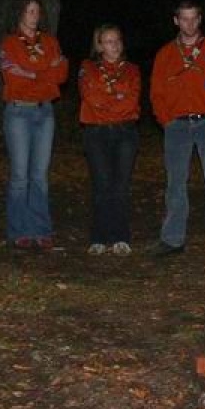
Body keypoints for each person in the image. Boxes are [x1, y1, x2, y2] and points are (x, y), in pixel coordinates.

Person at [150, 0, 205, 255]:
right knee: (175, 182)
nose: (189, 24)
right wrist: (165, 119)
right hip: (177, 126)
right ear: (176, 21)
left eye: (193, 18)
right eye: (184, 18)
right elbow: (156, 92)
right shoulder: (165, 54)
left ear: (199, 20)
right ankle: (173, 239)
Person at [0, 0, 68, 249]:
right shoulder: (9, 43)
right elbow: (12, 78)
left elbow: (61, 74)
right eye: (30, 11)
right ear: (19, 13)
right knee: (20, 174)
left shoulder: (50, 41)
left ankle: (40, 229)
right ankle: (19, 230)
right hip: (19, 112)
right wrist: (45, 71)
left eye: (37, 11)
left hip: (44, 112)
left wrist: (31, 72)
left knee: (39, 174)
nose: (35, 16)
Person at [78, 24, 141, 255]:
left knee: (120, 185)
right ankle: (99, 236)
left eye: (117, 40)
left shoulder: (132, 70)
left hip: (125, 132)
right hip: (96, 132)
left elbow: (131, 101)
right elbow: (90, 96)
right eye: (108, 41)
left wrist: (109, 102)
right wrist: (115, 99)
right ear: (99, 46)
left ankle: (120, 236)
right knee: (102, 184)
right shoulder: (88, 68)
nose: (114, 45)